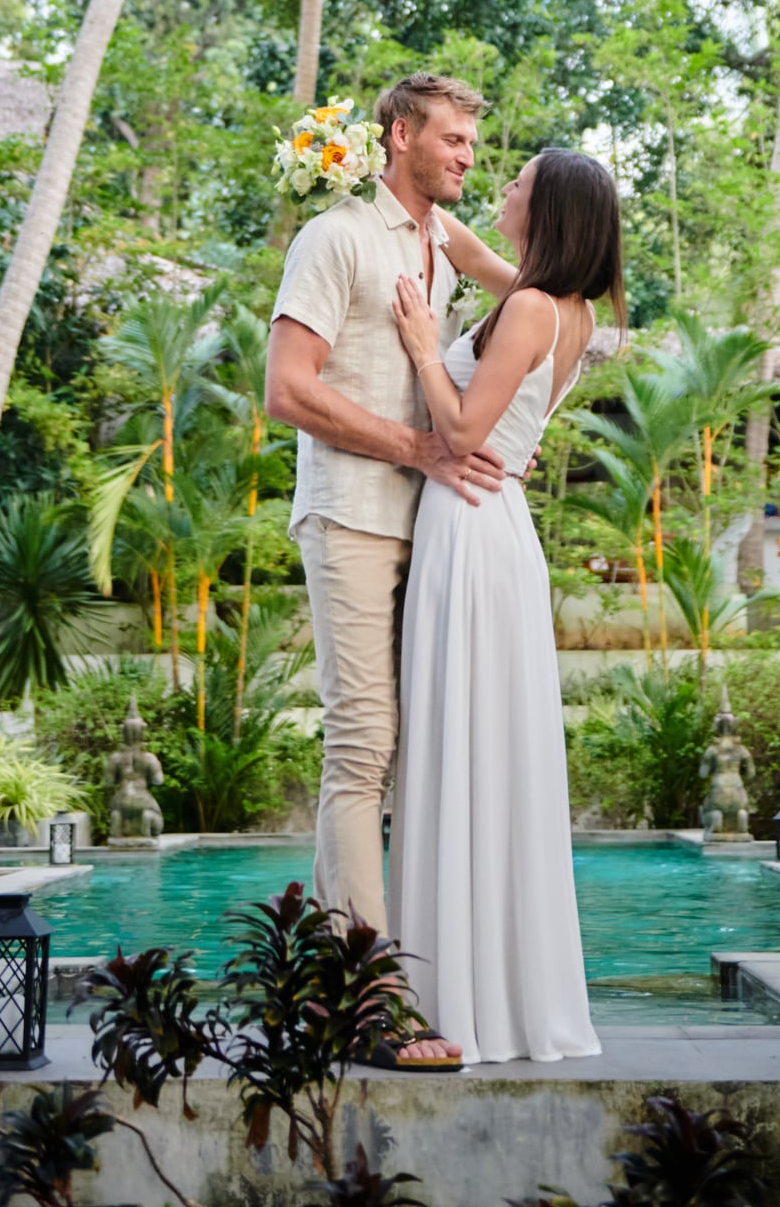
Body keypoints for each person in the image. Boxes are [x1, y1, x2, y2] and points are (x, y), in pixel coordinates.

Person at [264, 71, 501, 1068]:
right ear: (396, 134)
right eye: (449, 138)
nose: (464, 155)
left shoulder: (438, 244)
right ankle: (370, 1004)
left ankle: (348, 982)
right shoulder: (336, 238)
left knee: (410, 759)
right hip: (354, 518)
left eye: (473, 145)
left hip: (430, 526)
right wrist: (420, 449)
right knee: (361, 750)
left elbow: (527, 280)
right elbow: (286, 390)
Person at [388, 148, 625, 1064]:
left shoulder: (529, 309)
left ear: (549, 208)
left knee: (463, 744)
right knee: (483, 751)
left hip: (471, 522)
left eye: (519, 181)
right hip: (499, 526)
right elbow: (445, 233)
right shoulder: (562, 307)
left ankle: (458, 1000)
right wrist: (355, 171)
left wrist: (417, 343)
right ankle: (492, 996)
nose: (503, 188)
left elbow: (460, 432)